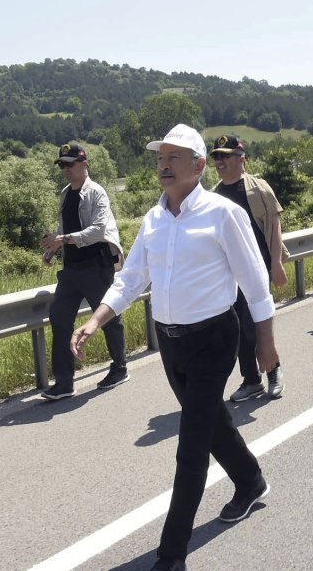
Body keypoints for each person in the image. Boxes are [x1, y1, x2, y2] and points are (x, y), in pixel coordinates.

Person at [71, 124, 278, 571]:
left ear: (199, 166)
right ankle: (250, 481)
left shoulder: (223, 214)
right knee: (211, 423)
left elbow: (255, 281)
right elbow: (129, 280)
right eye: (160, 158)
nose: (163, 165)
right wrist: (95, 319)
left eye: (174, 157)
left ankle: (171, 554)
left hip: (214, 338)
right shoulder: (154, 219)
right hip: (170, 342)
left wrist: (266, 341)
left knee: (191, 445)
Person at [38, 142, 127, 400]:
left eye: (69, 164)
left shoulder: (96, 193)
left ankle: (119, 368)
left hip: (96, 267)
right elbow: (61, 227)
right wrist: (52, 250)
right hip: (71, 270)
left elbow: (99, 230)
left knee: (108, 319)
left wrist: (62, 240)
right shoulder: (65, 193)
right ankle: (64, 383)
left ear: (84, 164)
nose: (65, 169)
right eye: (62, 165)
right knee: (60, 319)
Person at [210, 134, 288, 402]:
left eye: (225, 156)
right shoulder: (215, 195)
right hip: (230, 276)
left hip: (258, 269)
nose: (219, 161)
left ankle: (273, 372)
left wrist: (276, 263)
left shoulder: (258, 188)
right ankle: (251, 380)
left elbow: (274, 227)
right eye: (216, 157)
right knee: (237, 329)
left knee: (257, 324)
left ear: (241, 158)